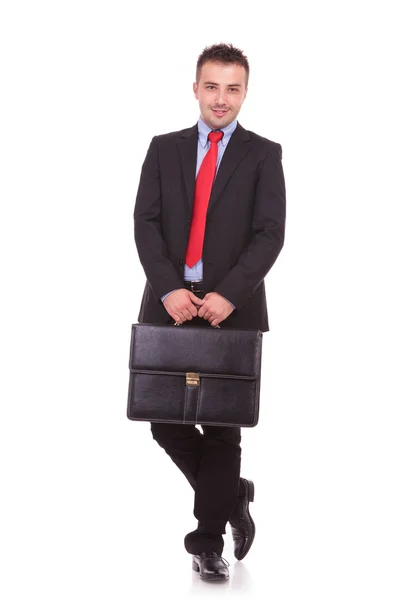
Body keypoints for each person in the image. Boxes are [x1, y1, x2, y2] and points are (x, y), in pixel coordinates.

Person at [133, 42, 286, 581]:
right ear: (195, 88)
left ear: (245, 92)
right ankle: (232, 492)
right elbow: (145, 224)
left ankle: (206, 542)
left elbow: (271, 234)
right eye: (212, 86)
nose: (222, 98)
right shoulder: (163, 148)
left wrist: (231, 294)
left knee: (222, 430)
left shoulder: (264, 154)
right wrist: (170, 288)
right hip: (169, 304)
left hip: (232, 310)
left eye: (233, 88)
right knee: (161, 419)